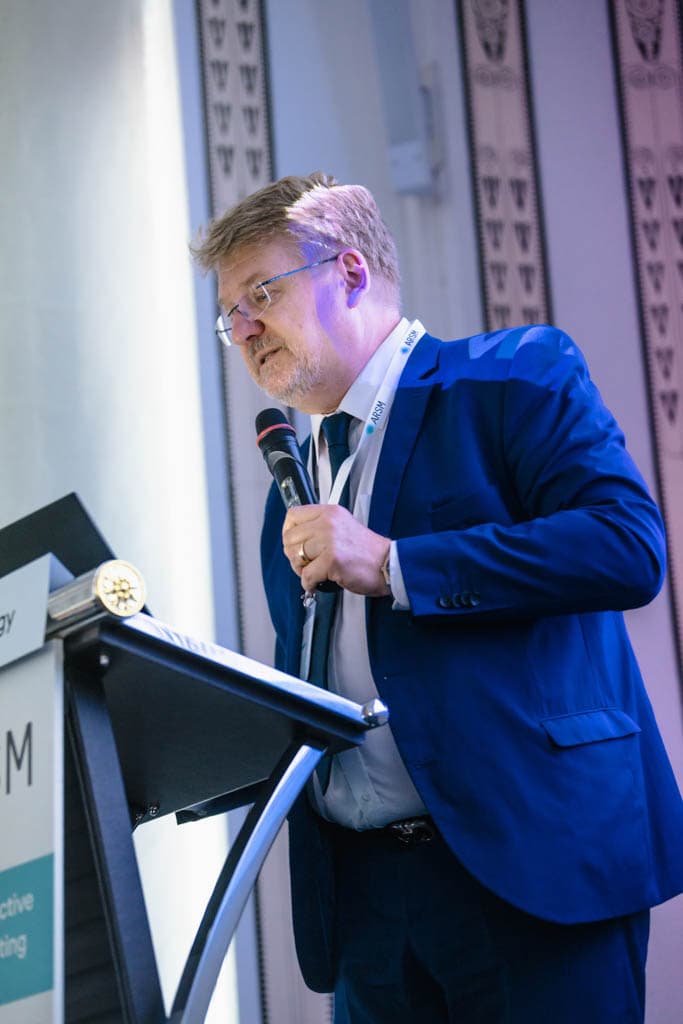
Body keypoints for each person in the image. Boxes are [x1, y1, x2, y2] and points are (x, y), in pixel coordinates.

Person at [192, 171, 683, 1023]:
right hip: (366, 905)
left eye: (260, 295)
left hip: (526, 869)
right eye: (228, 314)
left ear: (349, 273)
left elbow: (625, 546)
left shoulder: (512, 376)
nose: (242, 330)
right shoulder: (294, 489)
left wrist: (395, 565)